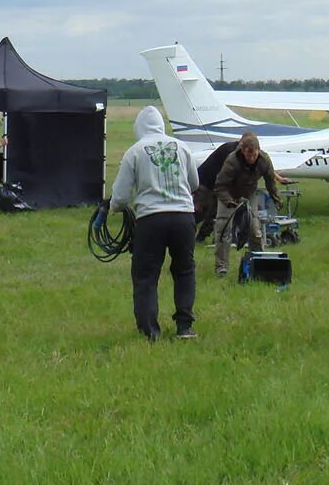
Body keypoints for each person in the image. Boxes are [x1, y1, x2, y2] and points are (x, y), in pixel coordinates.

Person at [109, 105, 200, 341]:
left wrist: (113, 209)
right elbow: (194, 182)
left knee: (146, 275)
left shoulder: (135, 151)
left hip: (151, 220)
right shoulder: (182, 147)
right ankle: (184, 327)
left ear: (138, 127)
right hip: (183, 218)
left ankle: (150, 331)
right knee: (184, 270)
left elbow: (120, 196)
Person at [212, 131, 281, 276]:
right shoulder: (232, 161)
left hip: (249, 194)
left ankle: (258, 262)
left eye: (254, 155)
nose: (251, 158)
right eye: (248, 155)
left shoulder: (264, 160)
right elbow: (220, 185)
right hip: (228, 193)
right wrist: (228, 201)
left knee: (255, 230)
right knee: (223, 229)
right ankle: (221, 267)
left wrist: (276, 197)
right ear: (242, 151)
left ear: (258, 151)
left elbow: (270, 181)